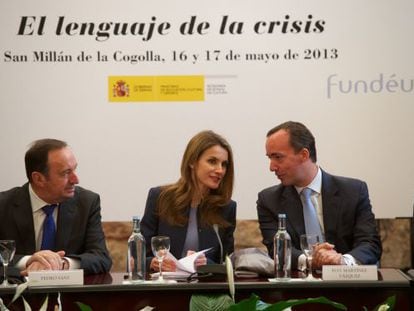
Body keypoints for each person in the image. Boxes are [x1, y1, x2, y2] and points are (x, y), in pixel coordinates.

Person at [257, 121, 382, 270]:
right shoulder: (269, 200)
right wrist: (312, 260)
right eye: (270, 158)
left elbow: (369, 243)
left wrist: (341, 261)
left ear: (304, 154)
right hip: (299, 288)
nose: (272, 167)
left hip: (349, 283)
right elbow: (277, 250)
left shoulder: (353, 191)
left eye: (278, 157)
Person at [0, 139, 112, 275]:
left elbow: (101, 257)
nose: (75, 180)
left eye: (74, 169)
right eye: (65, 173)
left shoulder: (87, 202)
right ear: (38, 179)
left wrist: (63, 263)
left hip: (71, 295)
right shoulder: (4, 205)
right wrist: (28, 261)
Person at [141, 130, 236, 272]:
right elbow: (137, 256)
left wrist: (206, 263)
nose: (220, 170)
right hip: (165, 287)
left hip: (206, 290)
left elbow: (228, 264)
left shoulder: (226, 207)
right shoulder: (160, 197)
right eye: (212, 161)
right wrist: (153, 262)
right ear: (192, 161)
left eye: (224, 164)